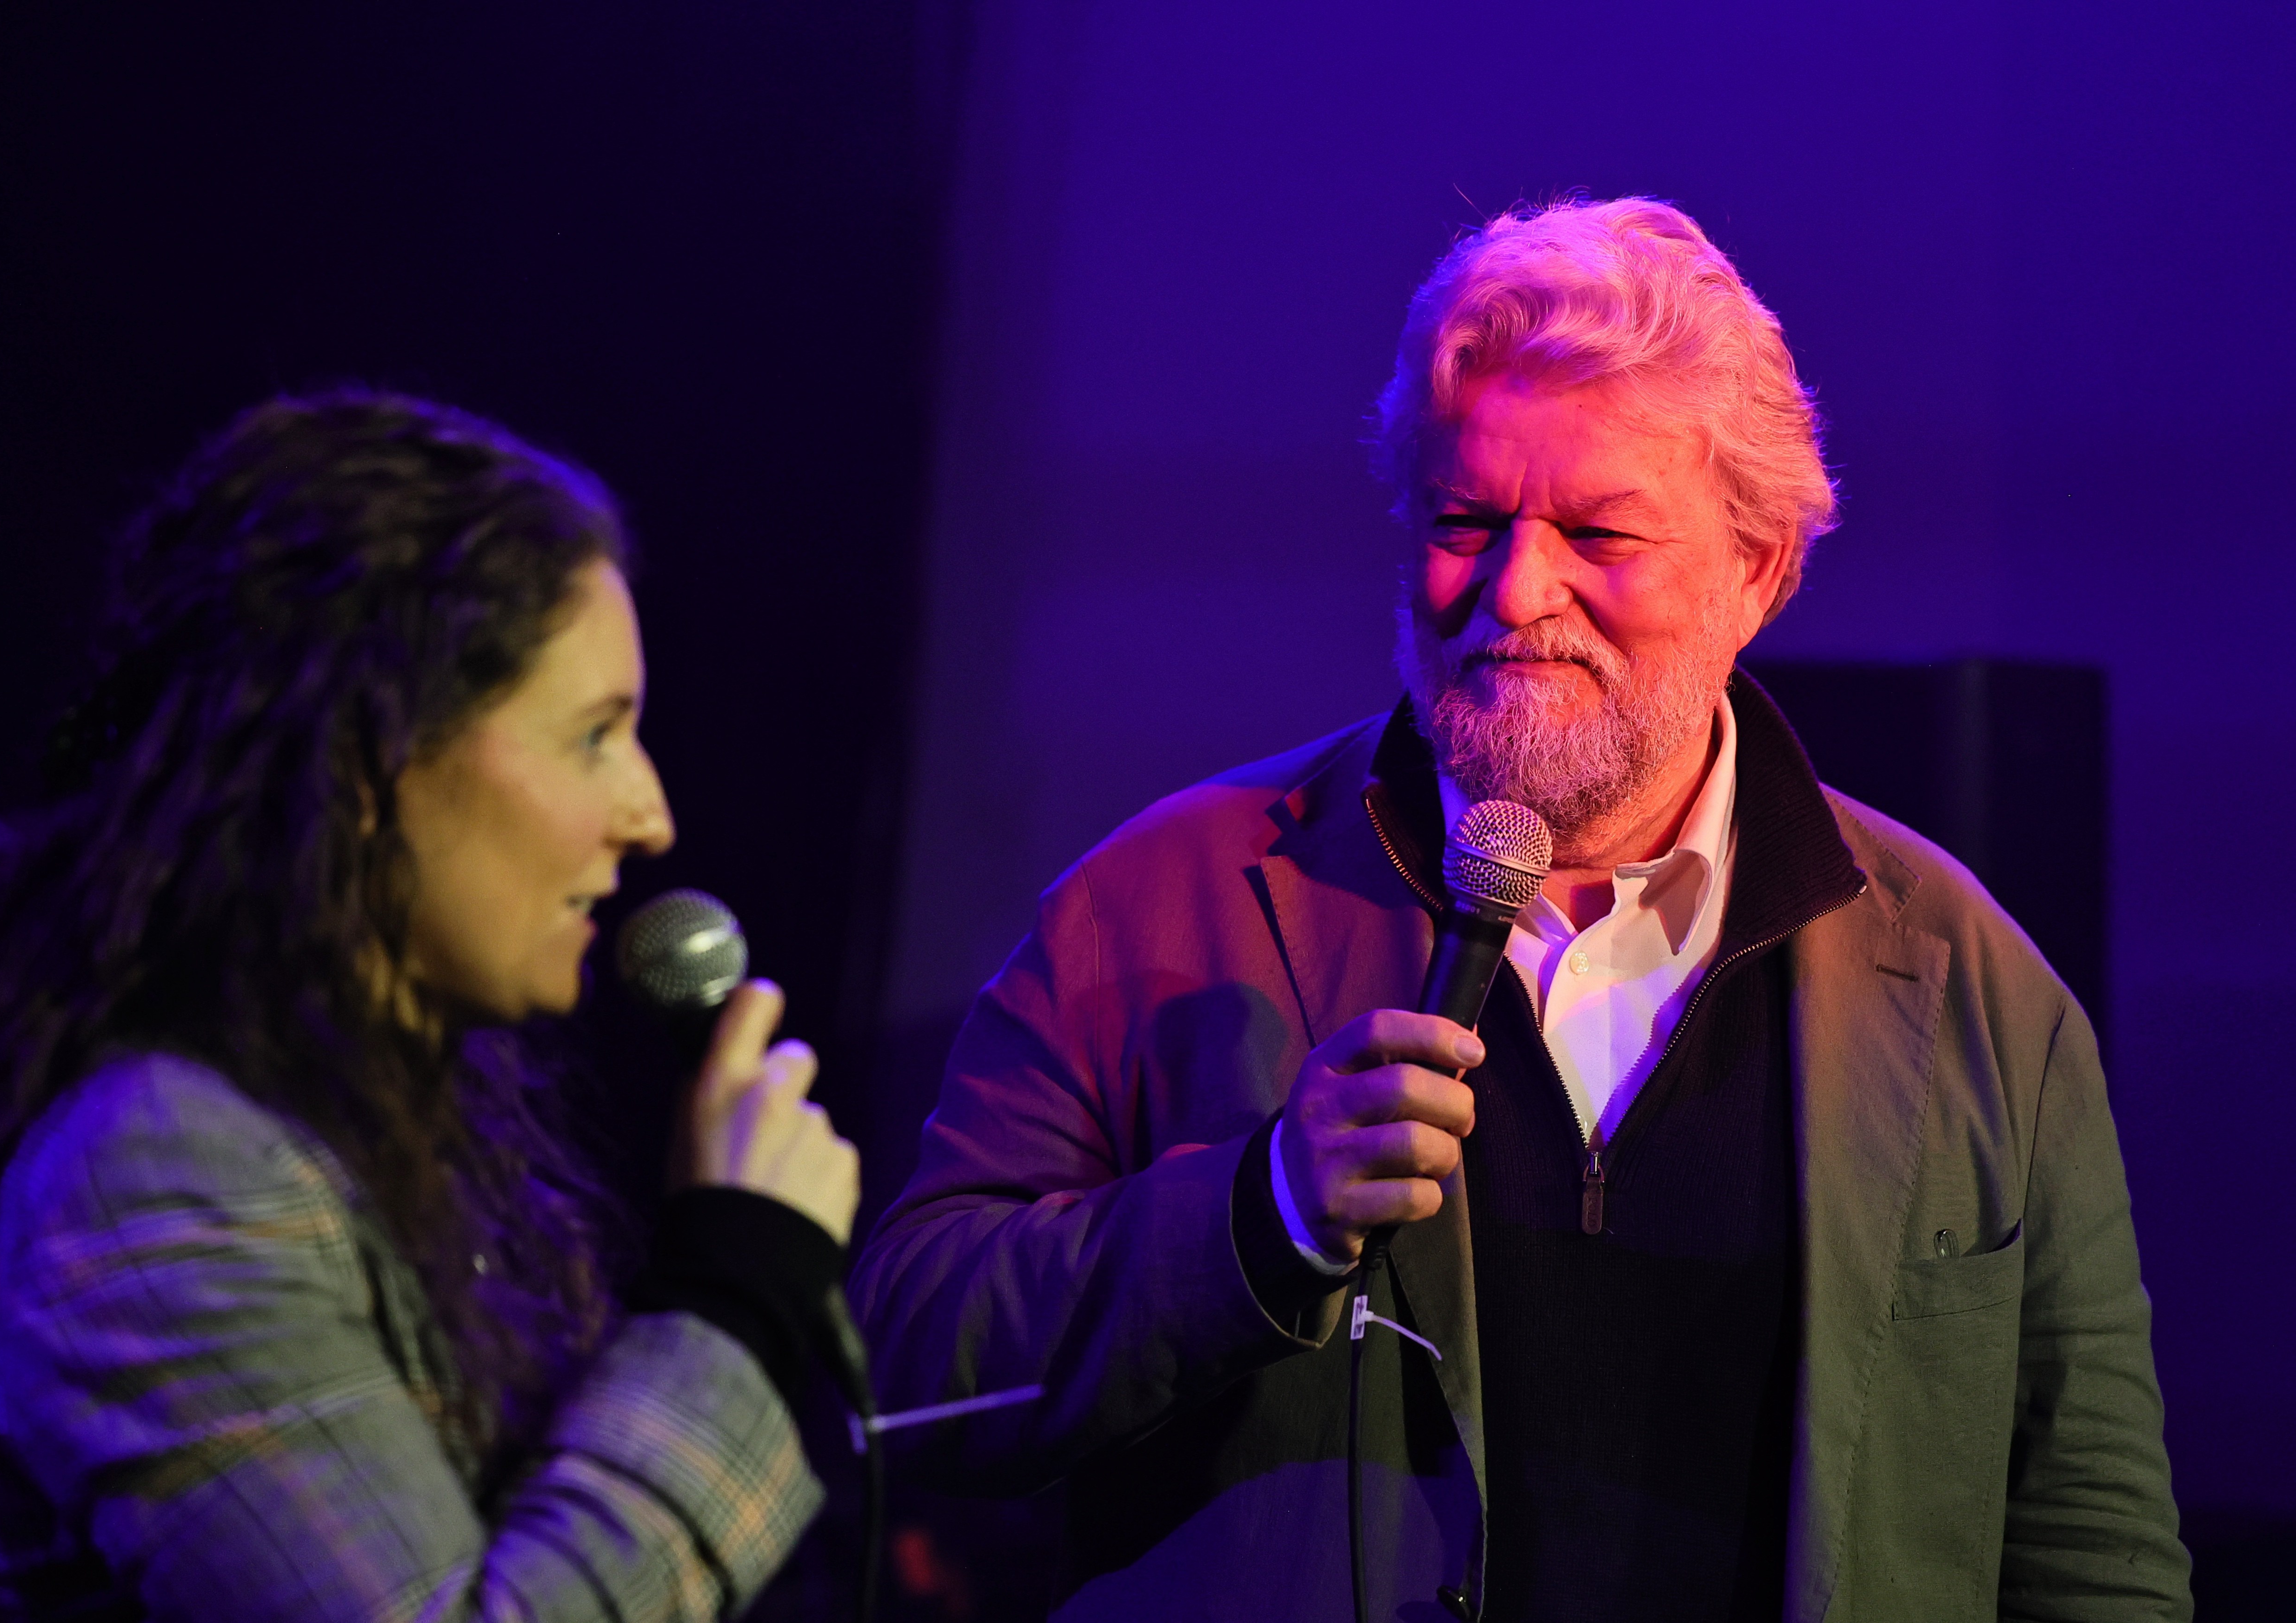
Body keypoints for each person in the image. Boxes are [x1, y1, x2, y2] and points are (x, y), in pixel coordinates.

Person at [850, 198, 2190, 1621]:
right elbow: (911, 1371)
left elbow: (2089, 1544)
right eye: (1465, 520)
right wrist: (1258, 1219)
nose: (1513, 588)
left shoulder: (1973, 986)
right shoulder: (1158, 907)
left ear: (1758, 572)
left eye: (1598, 532)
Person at [0, 392, 860, 1620]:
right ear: (370, 762)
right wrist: (734, 1298)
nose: (650, 814)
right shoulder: (163, 1174)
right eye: (594, 735)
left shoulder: (392, 1135)